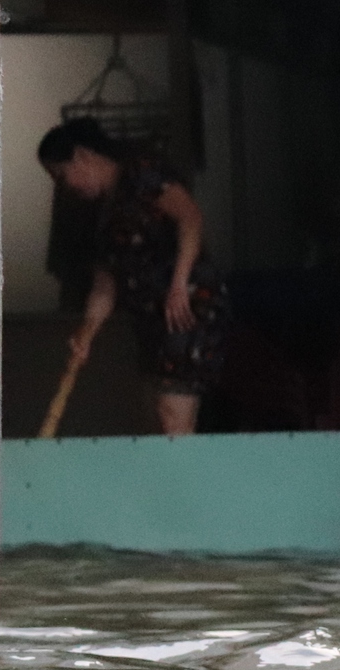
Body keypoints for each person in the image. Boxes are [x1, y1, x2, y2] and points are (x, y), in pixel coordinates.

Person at [38, 118, 226, 437]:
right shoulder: (101, 214)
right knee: (155, 414)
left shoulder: (142, 173)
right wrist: (87, 332)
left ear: (82, 156)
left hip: (185, 306)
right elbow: (105, 284)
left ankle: (181, 485)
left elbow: (189, 217)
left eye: (61, 174)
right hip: (151, 317)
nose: (66, 185)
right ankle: (173, 480)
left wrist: (179, 285)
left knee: (173, 413)